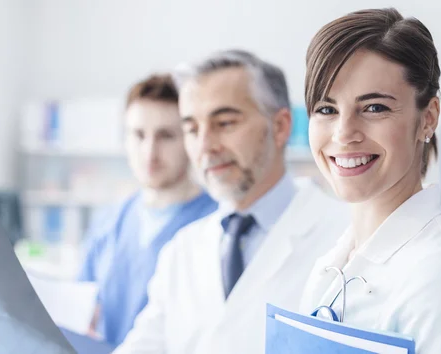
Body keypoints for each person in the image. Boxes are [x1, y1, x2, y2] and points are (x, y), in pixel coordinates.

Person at [298, 8, 441, 353]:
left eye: (374, 108)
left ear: (428, 118)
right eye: (326, 109)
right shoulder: (331, 266)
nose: (344, 134)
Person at [113, 50, 349, 354]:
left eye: (224, 123)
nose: (204, 147)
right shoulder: (181, 251)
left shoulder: (344, 237)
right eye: (192, 129)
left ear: (280, 127)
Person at [78, 74, 217, 347]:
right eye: (139, 135)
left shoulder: (217, 224)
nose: (149, 152)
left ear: (190, 138)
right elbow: (82, 311)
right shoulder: (108, 222)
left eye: (166, 136)